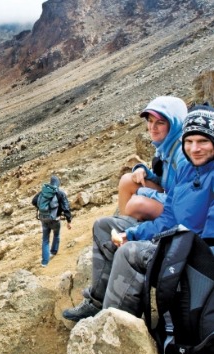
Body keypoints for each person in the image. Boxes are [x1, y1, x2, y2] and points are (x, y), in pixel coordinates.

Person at [63, 104, 214, 322]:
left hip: (193, 257)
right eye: (189, 142)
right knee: (106, 227)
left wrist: (158, 246)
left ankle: (113, 327)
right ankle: (97, 303)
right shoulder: (188, 169)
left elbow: (208, 246)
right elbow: (168, 219)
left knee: (130, 253)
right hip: (176, 240)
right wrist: (132, 233)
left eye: (203, 141)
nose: (194, 148)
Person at [118, 96, 187, 221]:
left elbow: (183, 199)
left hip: (183, 209)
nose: (152, 127)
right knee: (127, 180)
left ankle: (132, 232)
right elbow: (163, 180)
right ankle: (124, 226)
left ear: (174, 124)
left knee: (137, 203)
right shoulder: (165, 146)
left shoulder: (183, 153)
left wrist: (144, 193)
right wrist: (142, 170)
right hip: (171, 199)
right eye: (150, 121)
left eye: (160, 122)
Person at [32, 175, 72, 267]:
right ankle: (53, 252)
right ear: (58, 183)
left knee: (45, 240)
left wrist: (43, 209)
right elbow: (66, 208)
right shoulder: (60, 193)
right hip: (55, 219)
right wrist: (68, 221)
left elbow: (33, 201)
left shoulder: (43, 191)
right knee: (56, 235)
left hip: (43, 218)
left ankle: (44, 262)